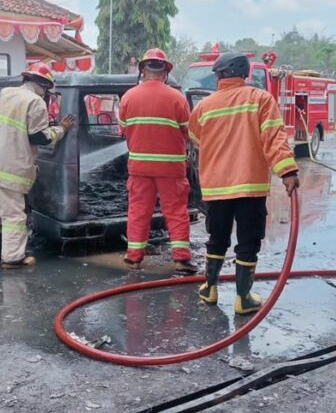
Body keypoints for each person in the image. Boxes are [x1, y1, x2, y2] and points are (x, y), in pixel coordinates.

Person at [188, 53, 300, 315]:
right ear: (245, 73)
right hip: (250, 186)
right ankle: (243, 298)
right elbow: (274, 138)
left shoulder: (205, 105)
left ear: (220, 75)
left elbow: (195, 137)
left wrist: (218, 149)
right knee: (248, 240)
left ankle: (210, 288)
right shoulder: (260, 99)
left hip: (216, 187)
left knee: (217, 238)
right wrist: (287, 171)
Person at [0, 62, 74, 268]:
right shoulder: (36, 102)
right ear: (44, 86)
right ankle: (12, 257)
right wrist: (60, 130)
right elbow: (39, 137)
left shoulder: (6, 93)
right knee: (13, 214)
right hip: (11, 166)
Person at [118, 48, 196, 274]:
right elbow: (187, 132)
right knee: (175, 211)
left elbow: (123, 131)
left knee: (138, 211)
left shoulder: (128, 97)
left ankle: (134, 257)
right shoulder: (177, 98)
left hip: (139, 168)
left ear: (142, 70)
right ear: (165, 72)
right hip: (171, 168)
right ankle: (181, 258)